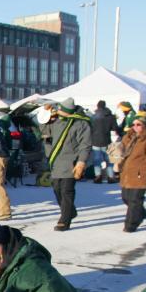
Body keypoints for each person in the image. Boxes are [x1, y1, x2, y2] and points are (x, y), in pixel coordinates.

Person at [44, 97, 91, 231]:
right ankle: (70, 211)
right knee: (57, 189)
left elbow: (85, 145)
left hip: (71, 163)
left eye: (60, 110)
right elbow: (44, 132)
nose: (58, 111)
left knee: (66, 191)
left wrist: (81, 162)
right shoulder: (57, 122)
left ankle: (65, 220)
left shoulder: (81, 124)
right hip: (56, 162)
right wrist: (45, 115)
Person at [116, 114, 146, 232]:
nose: (135, 127)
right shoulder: (128, 136)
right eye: (134, 124)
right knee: (125, 197)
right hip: (127, 173)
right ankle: (141, 212)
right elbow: (121, 150)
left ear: (144, 125)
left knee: (134, 200)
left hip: (140, 174)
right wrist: (117, 157)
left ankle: (131, 224)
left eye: (138, 124)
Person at [89, 100, 120, 183]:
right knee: (109, 159)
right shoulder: (110, 117)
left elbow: (90, 129)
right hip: (106, 140)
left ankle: (98, 176)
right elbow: (115, 128)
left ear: (97, 106)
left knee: (97, 160)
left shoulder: (93, 117)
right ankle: (110, 176)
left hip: (95, 141)